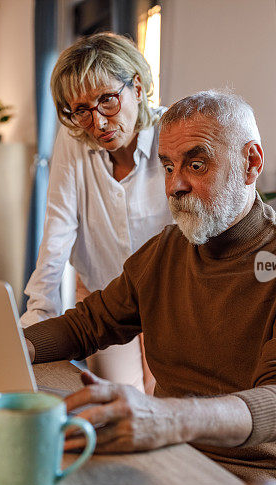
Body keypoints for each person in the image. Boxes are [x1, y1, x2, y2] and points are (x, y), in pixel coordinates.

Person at [22, 90, 276, 485]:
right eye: (169, 166)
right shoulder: (166, 250)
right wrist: (15, 345)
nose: (175, 185)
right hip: (168, 460)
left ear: (252, 163)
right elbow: (88, 324)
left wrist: (167, 418)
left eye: (197, 165)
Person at [20, 33, 173, 394]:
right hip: (106, 302)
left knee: (164, 402)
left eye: (107, 100)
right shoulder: (74, 140)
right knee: (116, 403)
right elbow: (58, 227)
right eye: (82, 110)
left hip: (169, 298)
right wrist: (38, 317)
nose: (98, 123)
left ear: (136, 86)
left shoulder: (173, 132)